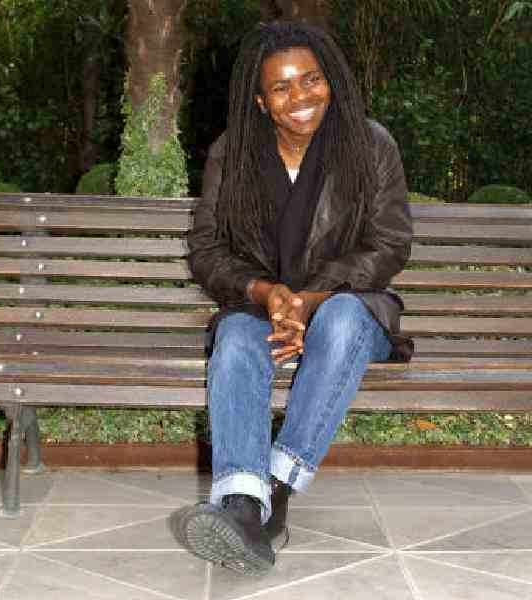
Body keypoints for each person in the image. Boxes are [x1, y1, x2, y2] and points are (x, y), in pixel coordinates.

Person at [176, 21, 413, 576]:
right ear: (260, 101)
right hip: (263, 311)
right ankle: (240, 507)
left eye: (312, 80)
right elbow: (207, 251)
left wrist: (311, 298)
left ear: (331, 81)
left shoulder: (370, 145)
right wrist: (265, 293)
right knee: (234, 338)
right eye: (281, 87)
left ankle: (275, 488)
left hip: (348, 316)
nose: (301, 97)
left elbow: (390, 244)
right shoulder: (231, 154)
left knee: (344, 317)